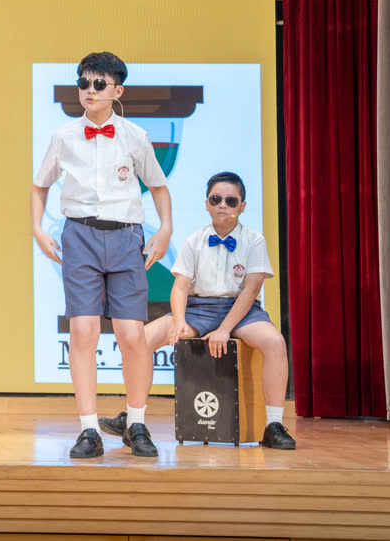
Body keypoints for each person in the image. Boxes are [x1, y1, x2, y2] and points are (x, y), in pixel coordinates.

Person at [32, 51, 173, 458]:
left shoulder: (135, 136)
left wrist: (165, 229)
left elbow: (158, 187)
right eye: (83, 83)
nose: (89, 91)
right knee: (83, 332)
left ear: (117, 91)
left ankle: (136, 423)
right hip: (80, 236)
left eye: (99, 84)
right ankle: (89, 429)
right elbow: (40, 185)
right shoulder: (64, 136)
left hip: (127, 238)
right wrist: (38, 228)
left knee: (131, 335)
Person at [98, 171, 296, 449]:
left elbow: (251, 291)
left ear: (242, 206)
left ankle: (274, 425)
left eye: (230, 200)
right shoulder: (194, 240)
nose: (222, 205)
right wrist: (179, 321)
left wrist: (224, 329)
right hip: (198, 309)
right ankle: (133, 420)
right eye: (216, 199)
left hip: (242, 311)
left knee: (275, 342)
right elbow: (180, 288)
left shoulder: (254, 240)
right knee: (140, 340)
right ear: (206, 204)